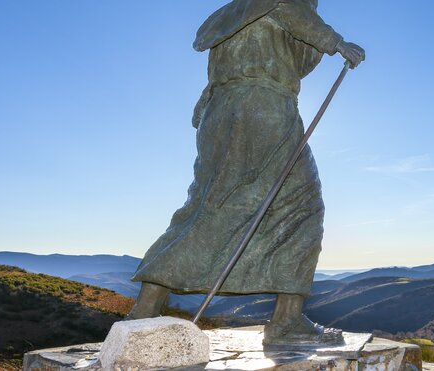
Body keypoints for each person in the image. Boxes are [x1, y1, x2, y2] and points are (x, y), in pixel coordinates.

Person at [127, 0, 364, 344]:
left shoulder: (234, 12)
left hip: (221, 112)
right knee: (302, 207)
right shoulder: (284, 4)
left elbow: (272, 54)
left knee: (210, 206)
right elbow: (289, 11)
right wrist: (336, 42)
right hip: (264, 109)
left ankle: (145, 309)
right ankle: (285, 321)